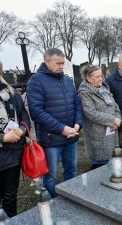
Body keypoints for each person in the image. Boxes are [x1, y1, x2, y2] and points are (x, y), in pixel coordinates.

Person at [26, 48, 84, 198]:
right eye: (58, 63)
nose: (61, 66)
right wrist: (62, 129)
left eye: (63, 63)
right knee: (50, 176)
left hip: (71, 135)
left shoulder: (67, 80)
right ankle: (54, 204)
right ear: (47, 61)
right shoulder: (36, 81)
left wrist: (78, 123)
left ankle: (71, 197)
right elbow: (37, 112)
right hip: (51, 138)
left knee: (71, 170)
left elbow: (77, 103)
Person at [0, 60, 31, 217]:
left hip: (12, 154)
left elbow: (23, 114)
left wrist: (22, 129)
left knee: (10, 195)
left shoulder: (11, 93)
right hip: (4, 146)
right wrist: (3, 137)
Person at [78, 65, 122, 169]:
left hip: (111, 131)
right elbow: (91, 113)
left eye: (101, 76)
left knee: (112, 161)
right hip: (97, 134)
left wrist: (118, 120)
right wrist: (112, 120)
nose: (100, 79)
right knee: (100, 166)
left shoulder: (104, 89)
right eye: (97, 77)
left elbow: (115, 106)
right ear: (88, 78)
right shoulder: (85, 93)